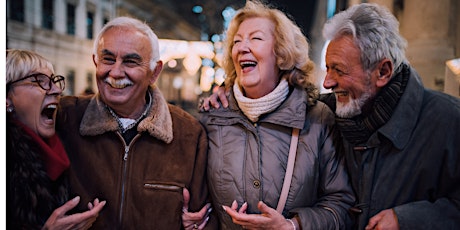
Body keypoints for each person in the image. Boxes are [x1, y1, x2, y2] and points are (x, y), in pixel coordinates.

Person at [205, 3, 460, 230]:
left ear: (383, 72)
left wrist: (407, 220)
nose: (327, 82)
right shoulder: (331, 110)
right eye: (327, 68)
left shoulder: (449, 120)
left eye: (339, 70)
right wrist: (227, 92)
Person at [199, 1, 355, 229]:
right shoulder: (210, 117)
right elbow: (199, 199)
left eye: (256, 38)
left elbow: (342, 205)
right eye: (236, 41)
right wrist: (196, 218)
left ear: (281, 52)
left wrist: (292, 226)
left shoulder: (318, 118)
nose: (242, 47)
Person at [55, 16, 217, 229]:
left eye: (130, 61)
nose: (115, 72)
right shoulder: (63, 119)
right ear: (96, 62)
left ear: (155, 72)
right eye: (108, 59)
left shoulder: (188, 134)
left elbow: (205, 219)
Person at [6, 49, 106, 229]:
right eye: (39, 81)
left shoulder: (60, 146)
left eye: (54, 81)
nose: (57, 90)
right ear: (6, 98)